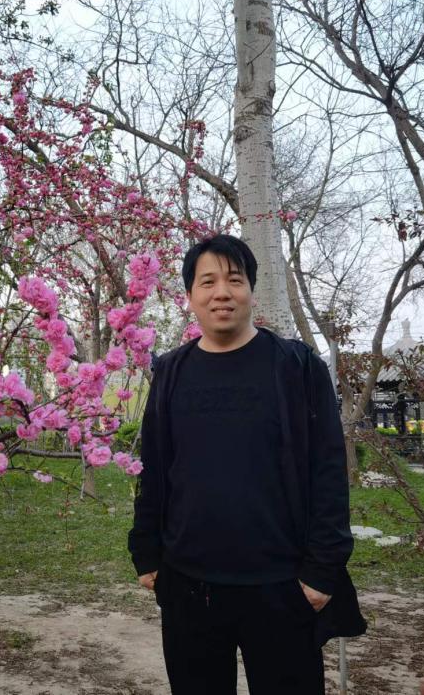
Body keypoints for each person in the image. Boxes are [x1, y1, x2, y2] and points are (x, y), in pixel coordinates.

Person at [128, 235, 366, 694]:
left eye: (234, 280)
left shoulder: (297, 367)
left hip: (283, 585)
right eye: (208, 282)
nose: (222, 292)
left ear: (251, 290)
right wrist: (147, 553)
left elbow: (328, 472)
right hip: (188, 584)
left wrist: (322, 572)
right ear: (190, 294)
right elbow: (154, 468)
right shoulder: (171, 373)